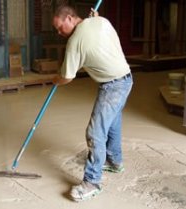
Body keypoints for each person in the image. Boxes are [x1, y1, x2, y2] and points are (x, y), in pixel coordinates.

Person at [52, 5, 133, 201]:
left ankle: (92, 182)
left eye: (60, 27)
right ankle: (114, 161)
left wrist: (55, 79)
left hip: (113, 86)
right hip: (126, 79)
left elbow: (67, 77)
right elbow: (97, 31)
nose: (59, 32)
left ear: (71, 18)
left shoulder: (75, 40)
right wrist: (94, 19)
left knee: (95, 132)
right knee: (112, 123)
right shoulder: (101, 21)